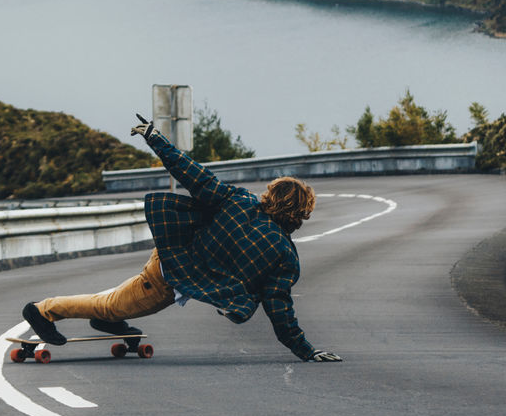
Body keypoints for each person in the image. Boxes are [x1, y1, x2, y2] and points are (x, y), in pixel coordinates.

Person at [21, 114, 341, 363]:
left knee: (120, 302)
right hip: (170, 279)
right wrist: (306, 350)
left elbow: (193, 173)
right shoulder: (285, 256)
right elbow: (279, 309)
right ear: (301, 213)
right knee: (109, 305)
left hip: (169, 252)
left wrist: (154, 137)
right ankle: (43, 310)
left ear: (272, 195)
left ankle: (111, 321)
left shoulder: (238, 200)